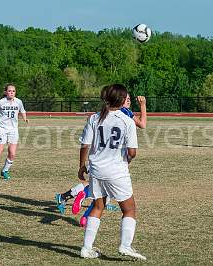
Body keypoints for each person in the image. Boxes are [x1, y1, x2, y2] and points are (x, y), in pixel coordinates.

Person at [55, 93, 147, 225]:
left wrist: (82, 163)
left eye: (129, 99)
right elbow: (142, 125)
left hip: (99, 158)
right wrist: (143, 105)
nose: (128, 101)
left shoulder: (102, 114)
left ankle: (75, 199)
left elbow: (86, 143)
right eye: (125, 99)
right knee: (112, 198)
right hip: (116, 159)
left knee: (100, 189)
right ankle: (84, 209)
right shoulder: (124, 113)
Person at [78, 84, 146, 260]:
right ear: (122, 100)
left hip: (96, 170)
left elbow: (85, 145)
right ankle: (125, 246)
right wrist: (127, 159)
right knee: (129, 210)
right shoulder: (127, 121)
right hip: (116, 171)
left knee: (97, 207)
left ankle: (86, 248)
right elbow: (132, 153)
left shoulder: (94, 118)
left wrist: (81, 165)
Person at [0, 84, 29, 182]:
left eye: (13, 91)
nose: (11, 92)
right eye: (9, 91)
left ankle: (5, 171)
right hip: (3, 130)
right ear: (5, 92)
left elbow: (22, 110)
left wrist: (25, 118)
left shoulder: (18, 101)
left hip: (14, 130)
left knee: (12, 154)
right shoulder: (1, 102)